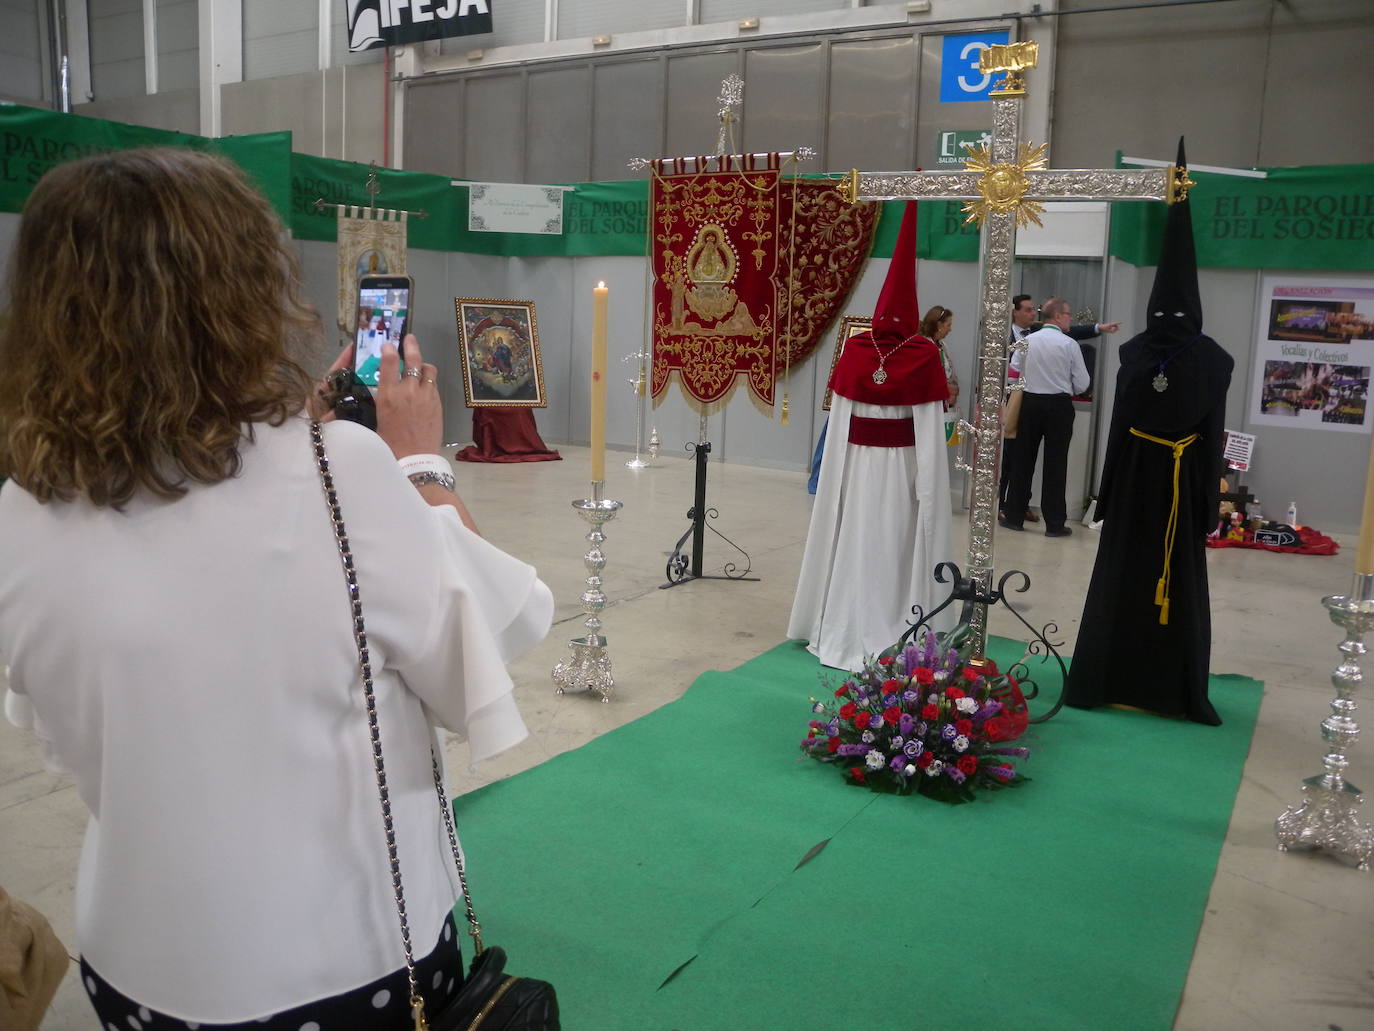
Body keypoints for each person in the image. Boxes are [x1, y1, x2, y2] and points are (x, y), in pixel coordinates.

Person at [0, 149, 554, 1027]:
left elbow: (76, 730)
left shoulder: (21, 505)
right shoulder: (344, 470)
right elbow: (489, 645)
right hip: (348, 959)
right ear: (246, 292)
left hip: (135, 965)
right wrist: (418, 460)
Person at [1065, 140, 1233, 725]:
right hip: (1174, 477)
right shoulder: (1207, 357)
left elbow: (1123, 426)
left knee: (1133, 570)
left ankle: (1127, 677)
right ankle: (1147, 680)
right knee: (1146, 572)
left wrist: (1107, 493)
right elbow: (1208, 433)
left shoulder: (1143, 352)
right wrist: (1206, 501)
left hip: (1146, 477)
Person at [788, 202, 954, 670]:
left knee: (856, 536)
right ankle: (897, 620)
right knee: (895, 542)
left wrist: (831, 476)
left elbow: (838, 422)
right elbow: (927, 428)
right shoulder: (921, 355)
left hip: (857, 466)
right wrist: (929, 483)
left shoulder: (858, 351)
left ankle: (846, 619)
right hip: (902, 468)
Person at [1000, 296, 1090, 537]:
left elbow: (1012, 374)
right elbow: (1082, 384)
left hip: (1029, 403)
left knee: (1022, 461)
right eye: (1069, 314)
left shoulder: (1027, 340)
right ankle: (1055, 523)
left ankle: (1014, 516)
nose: (1071, 318)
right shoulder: (1069, 344)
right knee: (1056, 464)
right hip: (1059, 406)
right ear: (1058, 316)